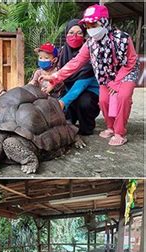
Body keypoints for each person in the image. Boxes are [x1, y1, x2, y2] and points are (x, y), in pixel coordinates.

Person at [41, 4, 139, 146]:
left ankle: (119, 132)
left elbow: (132, 60)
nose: (91, 29)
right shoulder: (90, 44)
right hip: (106, 76)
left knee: (123, 97)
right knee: (104, 100)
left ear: (104, 22)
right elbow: (76, 62)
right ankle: (110, 127)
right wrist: (55, 77)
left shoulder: (122, 38)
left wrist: (117, 82)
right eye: (87, 25)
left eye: (94, 24)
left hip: (126, 72)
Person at [56, 19, 100, 135]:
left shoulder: (90, 52)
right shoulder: (62, 53)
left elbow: (81, 84)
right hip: (69, 89)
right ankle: (72, 119)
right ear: (65, 34)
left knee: (83, 101)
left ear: (84, 34)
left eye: (79, 33)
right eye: (71, 33)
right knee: (59, 111)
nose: (75, 36)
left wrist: (63, 101)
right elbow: (59, 74)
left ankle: (87, 127)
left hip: (89, 90)